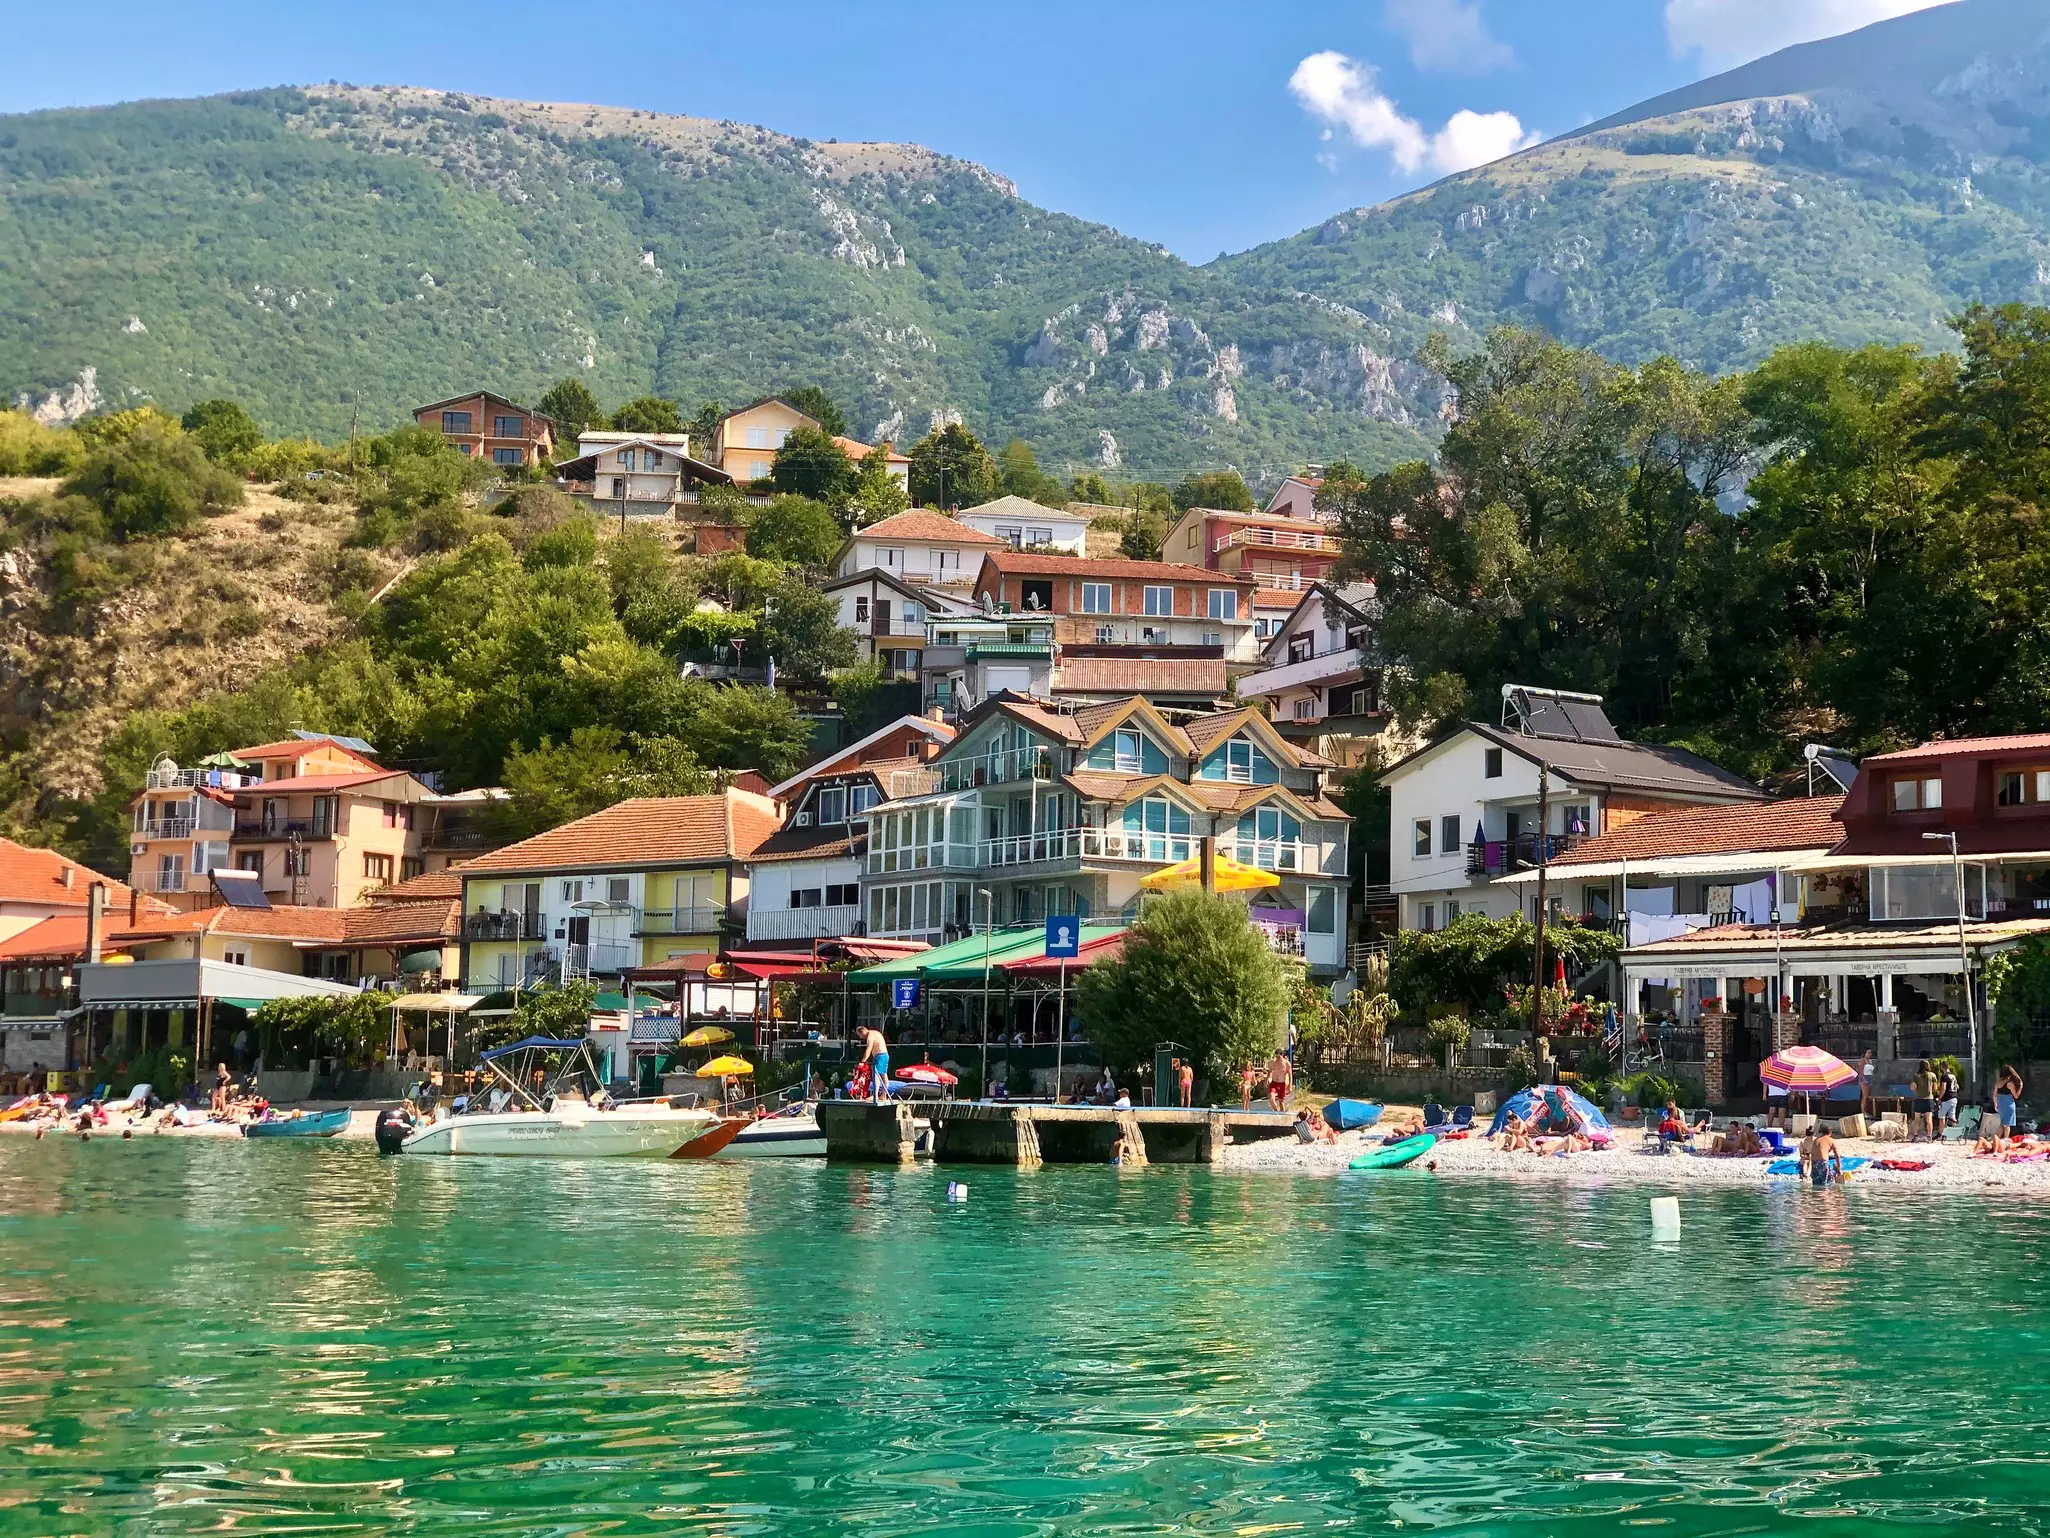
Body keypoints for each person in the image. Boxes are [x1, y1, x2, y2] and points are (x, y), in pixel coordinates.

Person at [855, 1025, 890, 1103]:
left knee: (876, 1075)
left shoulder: (870, 1036)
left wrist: (862, 1061)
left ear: (863, 1031)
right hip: (884, 1055)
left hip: (880, 1056)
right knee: (884, 1075)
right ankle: (884, 1095)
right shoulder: (875, 1033)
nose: (860, 1037)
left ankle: (875, 1096)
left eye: (859, 1035)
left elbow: (869, 1049)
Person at [1996, 1063, 2024, 1140]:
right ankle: (2005, 1139)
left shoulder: (1998, 1082)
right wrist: (2020, 1087)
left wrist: (1996, 1104)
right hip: (2009, 1104)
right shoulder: (2010, 1084)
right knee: (2007, 1124)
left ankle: (1996, 1139)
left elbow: (1995, 1094)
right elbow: (2016, 1096)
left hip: (2001, 1104)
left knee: (2002, 1124)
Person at [1910, 1059, 1936, 1142]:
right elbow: (1935, 1088)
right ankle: (1929, 1137)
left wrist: (1918, 1090)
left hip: (1918, 1099)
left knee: (1916, 1119)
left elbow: (1912, 1087)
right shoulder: (1932, 1075)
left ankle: (1915, 1136)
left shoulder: (1916, 1075)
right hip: (1929, 1099)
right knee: (1929, 1119)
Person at [1937, 1062, 1960, 1133]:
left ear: (1942, 1067)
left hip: (1947, 1098)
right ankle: (1954, 1133)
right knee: (1952, 1116)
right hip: (1954, 1097)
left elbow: (1943, 1088)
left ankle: (1941, 1133)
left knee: (1942, 1116)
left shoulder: (1944, 1076)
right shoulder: (1953, 1076)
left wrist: (1939, 1098)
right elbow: (1957, 1086)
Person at [1858, 1050, 1877, 1120]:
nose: (1870, 1054)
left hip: (1870, 1078)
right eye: (1868, 1052)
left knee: (1868, 1097)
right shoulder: (1863, 1061)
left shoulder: (1870, 1061)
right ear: (1865, 1053)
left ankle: (1866, 1111)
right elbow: (1860, 1071)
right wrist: (1864, 1080)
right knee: (1865, 1096)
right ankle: (1863, 1112)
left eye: (1870, 1052)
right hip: (1864, 1079)